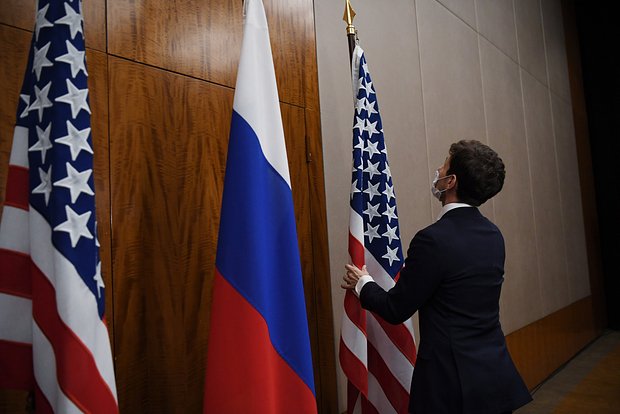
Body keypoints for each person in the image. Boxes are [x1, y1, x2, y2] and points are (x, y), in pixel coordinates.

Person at [342, 140, 532, 414]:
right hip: (494, 377)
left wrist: (363, 283)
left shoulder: (432, 240)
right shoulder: (494, 235)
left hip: (449, 385)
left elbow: (396, 308)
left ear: (451, 181)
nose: (438, 171)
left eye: (444, 165)